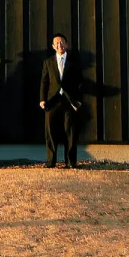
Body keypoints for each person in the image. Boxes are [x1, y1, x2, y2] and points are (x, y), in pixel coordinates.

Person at [39, 33, 83, 168]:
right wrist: (42, 99)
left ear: (67, 44)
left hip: (68, 101)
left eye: (62, 42)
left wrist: (78, 100)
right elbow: (44, 82)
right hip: (52, 100)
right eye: (57, 43)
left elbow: (79, 82)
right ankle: (51, 161)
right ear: (53, 46)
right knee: (50, 132)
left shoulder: (73, 62)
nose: (60, 45)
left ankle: (70, 162)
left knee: (70, 132)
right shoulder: (48, 62)